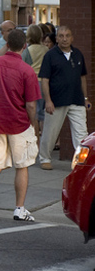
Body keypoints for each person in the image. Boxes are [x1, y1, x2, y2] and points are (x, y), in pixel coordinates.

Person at [0, 29, 42, 222]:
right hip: (19, 124)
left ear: (7, 44)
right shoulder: (26, 70)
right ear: (24, 46)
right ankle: (19, 208)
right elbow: (31, 104)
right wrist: (33, 125)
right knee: (22, 166)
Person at [37, 25, 90, 170]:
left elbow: (82, 77)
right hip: (56, 101)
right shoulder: (50, 55)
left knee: (81, 133)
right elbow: (45, 80)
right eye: (61, 36)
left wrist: (85, 99)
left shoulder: (78, 54)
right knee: (50, 132)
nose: (64, 39)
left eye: (67, 35)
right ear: (56, 38)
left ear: (72, 37)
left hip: (76, 100)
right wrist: (48, 100)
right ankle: (45, 158)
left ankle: (81, 162)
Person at [21, 25, 49, 127]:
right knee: (42, 113)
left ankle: (36, 137)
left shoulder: (27, 50)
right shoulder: (46, 49)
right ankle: (43, 137)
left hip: (32, 82)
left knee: (34, 113)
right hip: (44, 82)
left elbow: (23, 66)